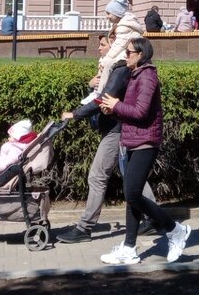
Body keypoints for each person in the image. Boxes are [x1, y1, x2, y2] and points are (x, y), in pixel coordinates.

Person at [56, 32, 156, 244]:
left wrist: (75, 114)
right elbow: (99, 95)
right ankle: (153, 216)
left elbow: (104, 100)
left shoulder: (120, 70)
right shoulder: (113, 69)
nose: (99, 49)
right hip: (116, 127)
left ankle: (85, 227)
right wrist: (91, 85)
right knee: (130, 177)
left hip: (116, 129)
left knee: (97, 176)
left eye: (103, 44)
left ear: (114, 46)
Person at [98, 37, 191, 265]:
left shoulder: (148, 76)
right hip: (132, 140)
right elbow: (131, 111)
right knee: (132, 197)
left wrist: (116, 105)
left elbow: (140, 112)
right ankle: (129, 248)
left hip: (145, 142)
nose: (126, 55)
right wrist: (114, 111)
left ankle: (175, 229)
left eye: (129, 52)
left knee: (132, 194)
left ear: (141, 54)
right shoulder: (135, 76)